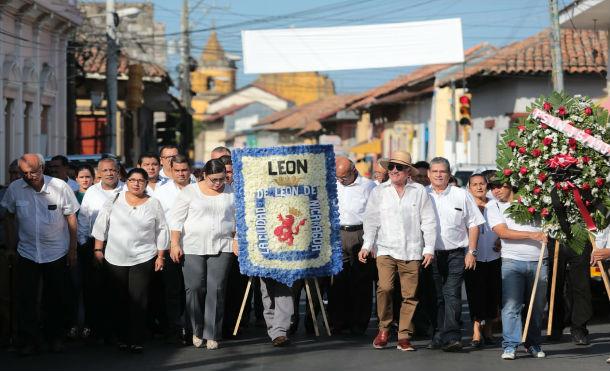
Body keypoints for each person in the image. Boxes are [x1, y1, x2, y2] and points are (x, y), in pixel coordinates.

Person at [1, 153, 79, 355]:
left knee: (55, 297)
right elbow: (8, 216)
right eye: (24, 173)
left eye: (32, 172)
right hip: (27, 252)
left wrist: (72, 249)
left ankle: (55, 338)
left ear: (42, 168)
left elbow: (71, 218)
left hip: (56, 251)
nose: (29, 176)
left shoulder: (60, 187)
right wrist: (11, 246)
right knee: (26, 298)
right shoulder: (15, 189)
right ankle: (29, 340)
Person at [358, 151, 436, 351]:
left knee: (409, 295)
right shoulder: (380, 191)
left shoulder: (419, 191)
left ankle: (403, 335)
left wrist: (428, 248)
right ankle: (384, 328)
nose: (393, 170)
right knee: (385, 288)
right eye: (391, 166)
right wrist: (367, 245)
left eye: (399, 167)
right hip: (386, 248)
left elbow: (428, 220)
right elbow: (371, 220)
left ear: (408, 171)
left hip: (412, 250)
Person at [92, 168, 168, 353]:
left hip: (143, 256)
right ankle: (122, 337)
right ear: (126, 182)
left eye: (140, 181)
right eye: (132, 180)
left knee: (139, 299)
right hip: (115, 257)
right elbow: (101, 225)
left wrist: (160, 256)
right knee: (118, 299)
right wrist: (97, 249)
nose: (136, 184)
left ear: (146, 183)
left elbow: (162, 230)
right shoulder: (114, 200)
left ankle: (136, 339)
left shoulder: (154, 203)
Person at [169, 159, 236, 350]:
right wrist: (174, 243)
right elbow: (176, 219)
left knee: (216, 288)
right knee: (195, 287)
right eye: (213, 179)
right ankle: (195, 329)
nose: (218, 183)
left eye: (222, 179)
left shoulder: (231, 192)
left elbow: (239, 218)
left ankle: (213, 333)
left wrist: (237, 239)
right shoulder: (189, 191)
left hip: (223, 245)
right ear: (204, 175)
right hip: (192, 245)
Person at [426, 157, 484, 352]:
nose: (439, 175)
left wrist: (472, 252)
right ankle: (438, 334)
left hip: (456, 253)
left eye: (442, 171)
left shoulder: (461, 195)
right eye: (435, 171)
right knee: (436, 296)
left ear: (449, 174)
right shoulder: (423, 195)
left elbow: (474, 223)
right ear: (429, 174)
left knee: (451, 293)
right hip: (430, 254)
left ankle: (452, 336)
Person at [486, 177, 548, 360]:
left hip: (539, 260)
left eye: (499, 186)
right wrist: (532, 234)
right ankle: (510, 345)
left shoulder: (533, 200)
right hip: (512, 261)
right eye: (492, 187)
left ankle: (533, 344)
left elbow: (549, 219)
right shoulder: (494, 206)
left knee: (536, 307)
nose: (495, 190)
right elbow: (503, 232)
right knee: (511, 305)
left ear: (510, 185)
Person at [77, 158, 124, 342]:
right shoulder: (92, 192)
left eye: (113, 170)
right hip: (94, 245)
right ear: (99, 173)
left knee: (117, 289)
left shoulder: (127, 189)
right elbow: (83, 219)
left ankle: (116, 331)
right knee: (94, 290)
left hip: (120, 245)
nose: (110, 173)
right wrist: (82, 244)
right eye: (105, 170)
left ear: (118, 171)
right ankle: (96, 330)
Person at [330, 156, 376, 335]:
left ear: (353, 171)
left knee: (361, 281)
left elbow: (373, 215)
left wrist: (370, 242)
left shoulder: (369, 186)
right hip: (338, 233)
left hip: (360, 233)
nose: (340, 181)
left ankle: (359, 323)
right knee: (339, 281)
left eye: (344, 177)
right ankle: (339, 322)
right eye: (338, 177)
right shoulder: (333, 184)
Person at [154, 155, 195, 344]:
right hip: (170, 246)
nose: (181, 174)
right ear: (171, 170)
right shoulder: (162, 192)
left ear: (190, 169)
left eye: (184, 170)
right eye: (177, 170)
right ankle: (175, 330)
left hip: (195, 246)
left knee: (193, 290)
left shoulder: (200, 187)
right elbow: (159, 222)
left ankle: (193, 328)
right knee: (172, 290)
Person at [464, 174, 501, 348]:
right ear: (469, 187)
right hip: (473, 257)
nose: (479, 187)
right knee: (475, 293)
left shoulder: (495, 204)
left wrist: (501, 240)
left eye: (482, 184)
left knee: (492, 293)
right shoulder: (466, 204)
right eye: (475, 184)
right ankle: (476, 330)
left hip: (494, 256)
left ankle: (489, 330)